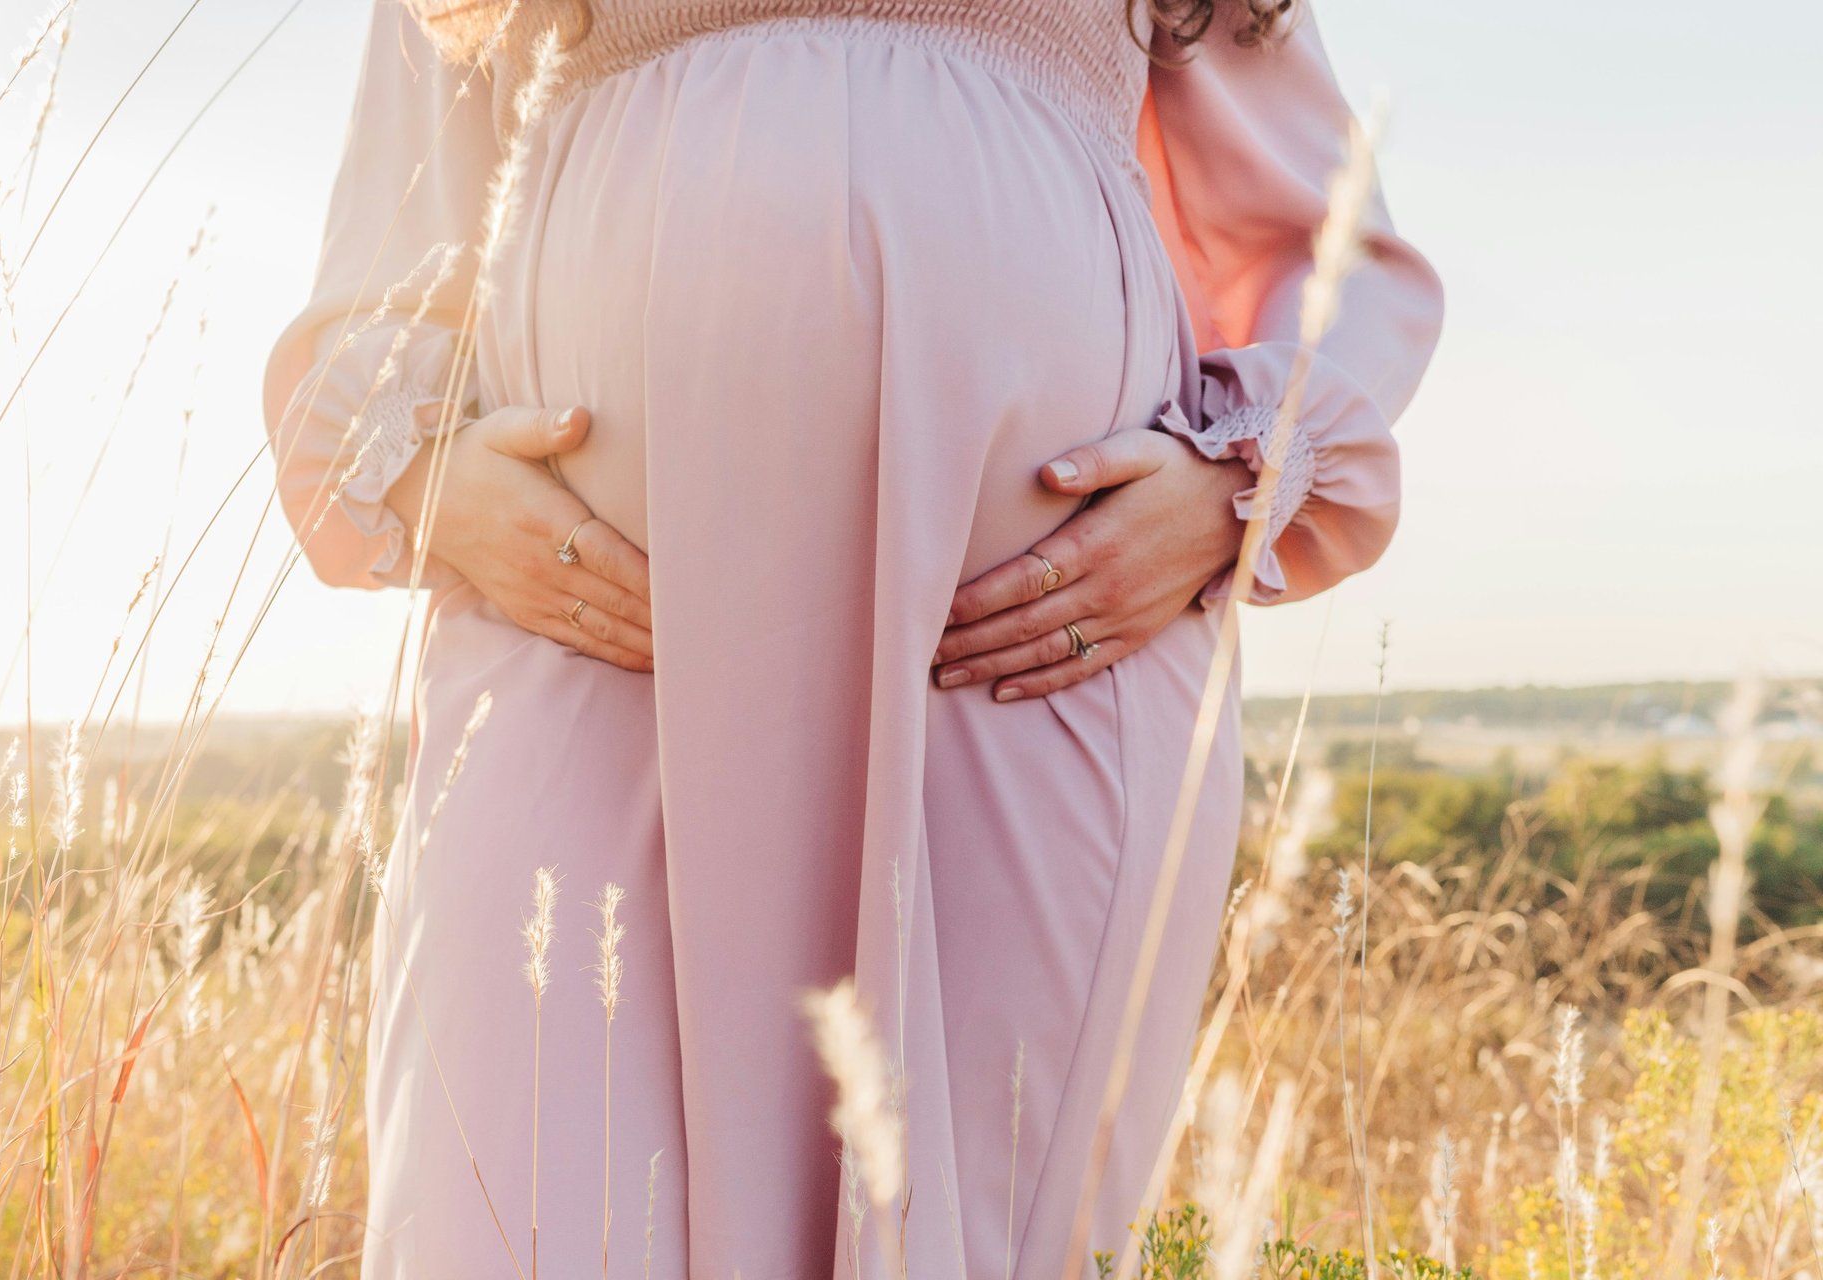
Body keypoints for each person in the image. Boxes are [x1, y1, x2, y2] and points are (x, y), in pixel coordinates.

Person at [260, 0, 1444, 1273]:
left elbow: (1334, 256)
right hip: (578, 646)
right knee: (522, 1218)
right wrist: (428, 471)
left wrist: (1235, 483)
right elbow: (393, 244)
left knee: (978, 1228)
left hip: (1029, 668)